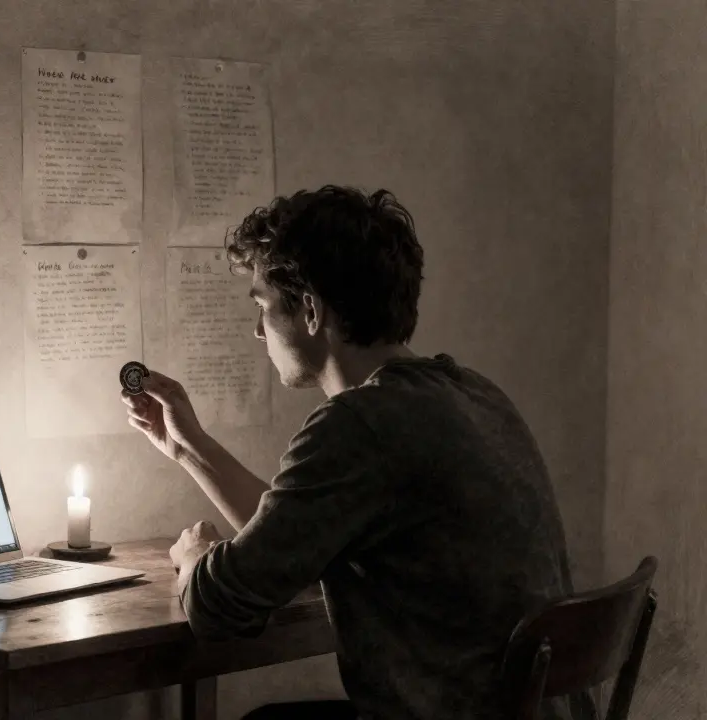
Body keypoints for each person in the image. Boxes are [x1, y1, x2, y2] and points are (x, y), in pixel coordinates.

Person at [121, 186, 595, 720]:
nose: (257, 331)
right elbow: (293, 537)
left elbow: (219, 607)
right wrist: (190, 447)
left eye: (261, 306)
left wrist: (192, 561)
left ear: (309, 310)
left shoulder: (359, 425)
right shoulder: (474, 393)